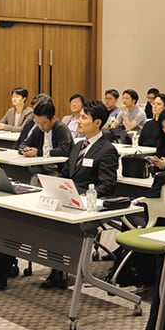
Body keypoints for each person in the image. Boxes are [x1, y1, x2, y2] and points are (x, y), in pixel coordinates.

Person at [38, 100, 120, 291]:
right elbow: (66, 175)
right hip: (67, 200)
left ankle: (60, 270)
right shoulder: (77, 146)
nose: (79, 122)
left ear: (97, 122)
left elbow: (107, 185)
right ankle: (57, 268)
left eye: (84, 118)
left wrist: (83, 197)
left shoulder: (107, 150)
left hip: (85, 204)